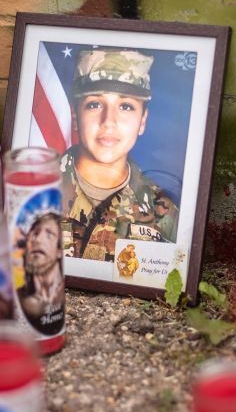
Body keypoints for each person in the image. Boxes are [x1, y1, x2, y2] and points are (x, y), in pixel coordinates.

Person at [59, 48, 179, 262]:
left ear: (142, 121)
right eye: (94, 104)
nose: (109, 121)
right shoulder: (32, 191)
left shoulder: (164, 212)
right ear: (75, 116)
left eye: (125, 106)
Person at [19, 213, 64, 323]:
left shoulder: (60, 296)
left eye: (49, 235)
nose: (38, 240)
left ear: (59, 251)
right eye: (34, 234)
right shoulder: (19, 299)